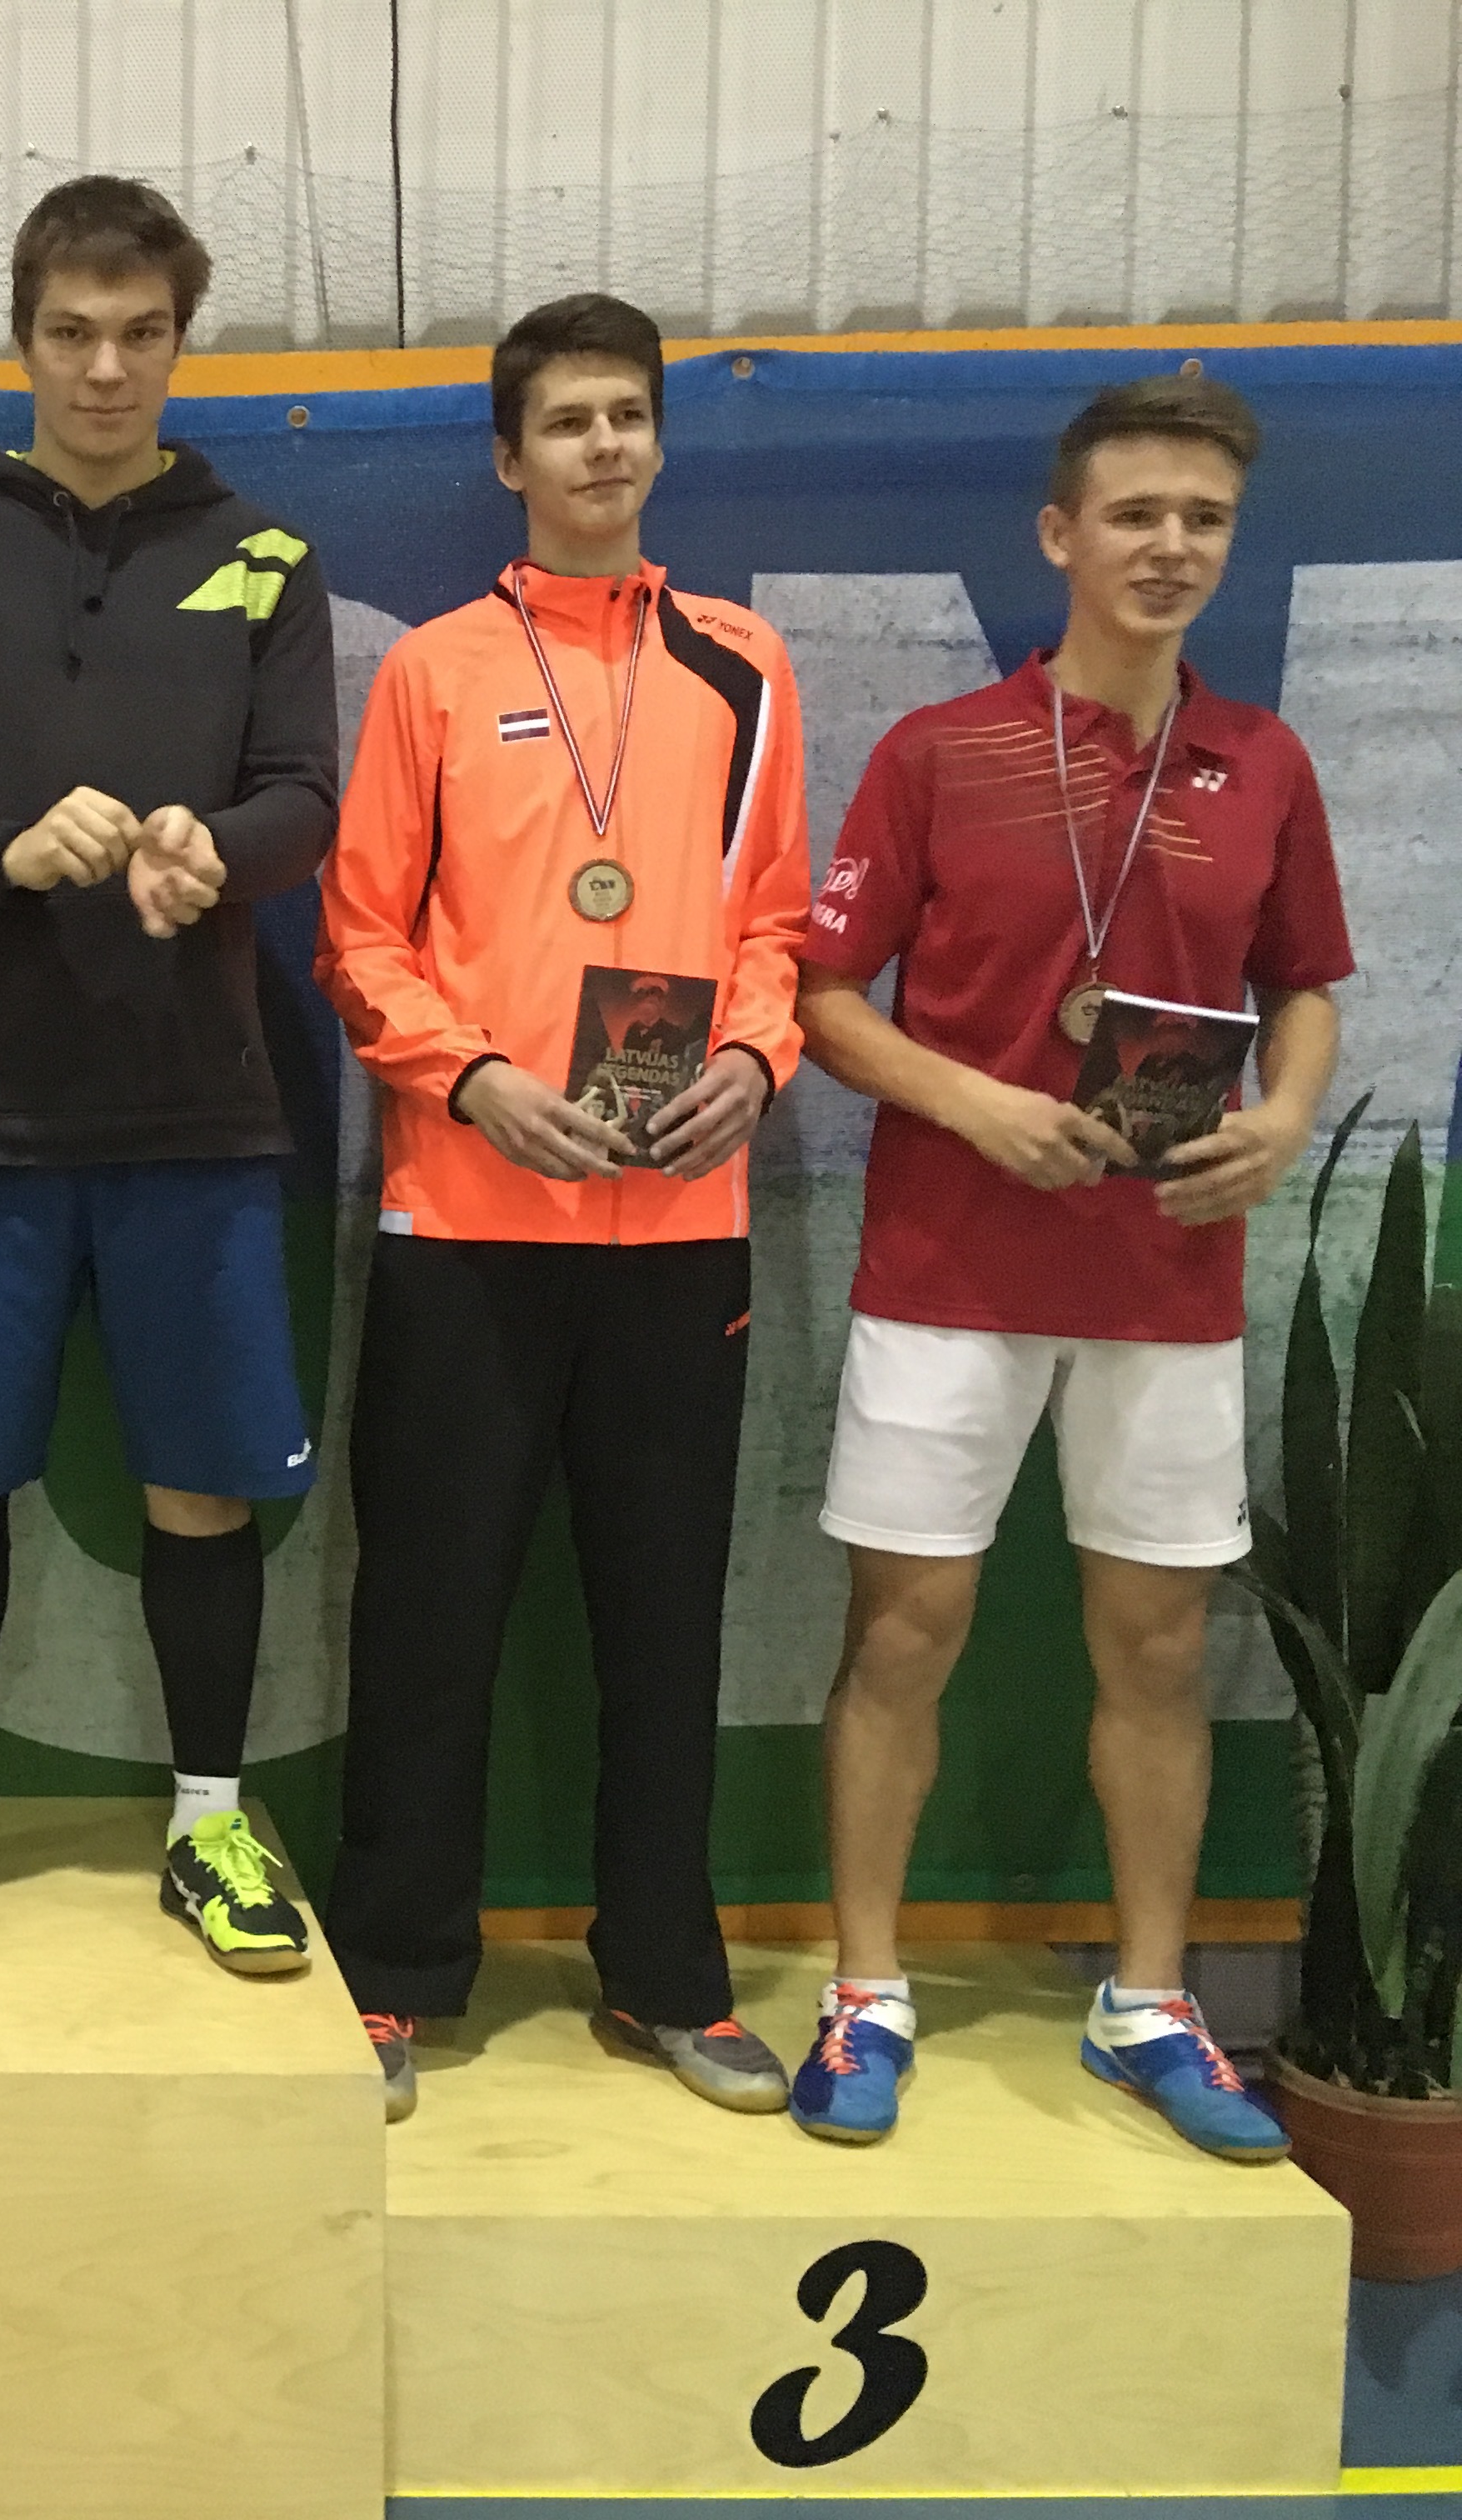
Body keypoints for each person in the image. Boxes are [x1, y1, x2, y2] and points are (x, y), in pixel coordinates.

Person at [786, 374, 1347, 2159]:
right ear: (1061, 535)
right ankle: (865, 1991)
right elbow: (821, 998)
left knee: (1160, 1650)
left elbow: (1306, 986)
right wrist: (978, 1105)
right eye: (1135, 515)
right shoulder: (939, 751)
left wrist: (1282, 1117)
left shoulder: (1264, 764)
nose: (1170, 547)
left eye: (1204, 520)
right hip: (948, 1266)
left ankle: (1149, 2004)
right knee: (903, 1635)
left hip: (1166, 1276)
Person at [0, 176, 338, 1974]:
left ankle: (212, 1828)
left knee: (204, 1485)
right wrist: (9, 855)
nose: (106, 368)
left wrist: (220, 852)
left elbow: (305, 798)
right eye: (72, 332)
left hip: (201, 1108)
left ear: (181, 341)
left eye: (141, 334)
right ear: (23, 338)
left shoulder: (265, 555)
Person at [316, 292, 811, 2122]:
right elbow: (360, 937)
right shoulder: (435, 672)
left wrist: (755, 1058)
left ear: (658, 441)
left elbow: (777, 924)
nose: (605, 446)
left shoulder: (744, 666)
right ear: (509, 458)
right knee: (427, 1619)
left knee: (665, 1620)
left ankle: (667, 1977)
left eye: (628, 416)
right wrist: (474, 1082)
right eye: (570, 422)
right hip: (466, 1224)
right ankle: (394, 1977)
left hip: (681, 1234)